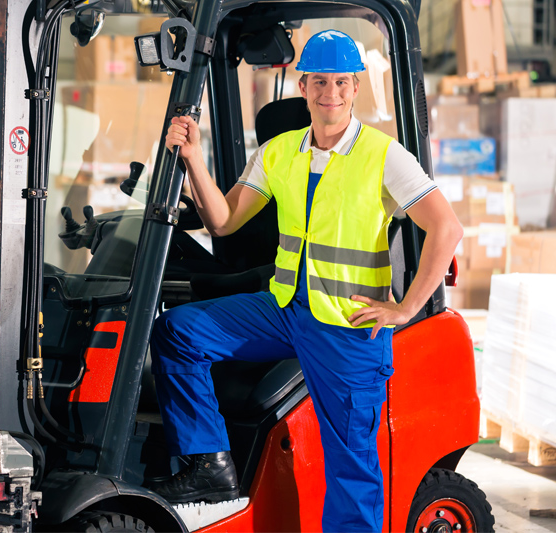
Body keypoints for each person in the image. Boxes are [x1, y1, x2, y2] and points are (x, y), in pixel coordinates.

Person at [149, 30, 463, 531]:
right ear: (303, 84)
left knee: (352, 468)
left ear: (356, 87)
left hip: (346, 327)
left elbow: (447, 228)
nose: (330, 93)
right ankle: (208, 467)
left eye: (341, 82)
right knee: (177, 332)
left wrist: (405, 309)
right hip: (286, 311)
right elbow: (224, 219)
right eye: (320, 81)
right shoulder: (278, 153)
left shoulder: (384, 156)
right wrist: (193, 160)